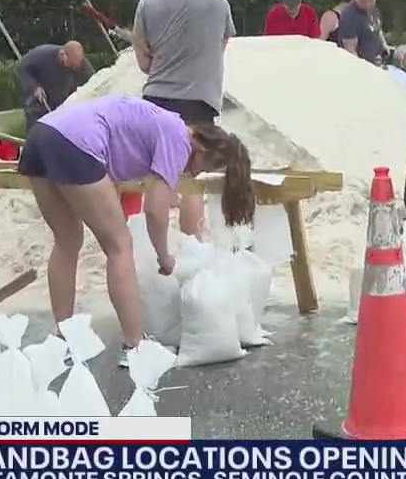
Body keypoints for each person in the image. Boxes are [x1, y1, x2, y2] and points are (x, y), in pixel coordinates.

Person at [17, 94, 255, 367]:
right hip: (74, 143)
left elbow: (111, 169)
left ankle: (62, 338)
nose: (196, 174)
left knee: (67, 240)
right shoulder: (178, 137)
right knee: (120, 246)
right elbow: (155, 210)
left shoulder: (159, 125)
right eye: (206, 167)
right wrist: (163, 256)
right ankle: (134, 347)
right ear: (200, 147)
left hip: (42, 135)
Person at [132, 0, 236, 237]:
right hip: (199, 100)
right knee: (193, 178)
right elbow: (220, 49)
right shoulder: (219, 4)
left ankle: (154, 249)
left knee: (159, 175)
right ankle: (194, 248)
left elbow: (143, 63)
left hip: (157, 100)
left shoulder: (147, 4)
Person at [16, 41, 93, 134]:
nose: (73, 69)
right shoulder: (42, 54)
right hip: (40, 105)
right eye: (71, 65)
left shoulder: (81, 64)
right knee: (35, 135)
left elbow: (93, 82)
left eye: (75, 67)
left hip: (64, 108)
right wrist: (34, 87)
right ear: (62, 54)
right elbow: (22, 68)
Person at [337, 0, 387, 65]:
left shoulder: (374, 10)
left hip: (378, 62)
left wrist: (384, 45)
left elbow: (377, 29)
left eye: (371, 0)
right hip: (362, 66)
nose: (368, 4)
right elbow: (350, 50)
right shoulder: (350, 16)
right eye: (364, 1)